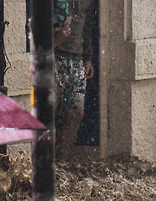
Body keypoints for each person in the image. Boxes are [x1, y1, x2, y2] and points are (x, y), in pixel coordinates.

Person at [54, 0, 97, 159]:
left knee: (75, 113)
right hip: (54, 55)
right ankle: (44, 161)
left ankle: (62, 159)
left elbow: (87, 27)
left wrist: (88, 57)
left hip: (77, 59)